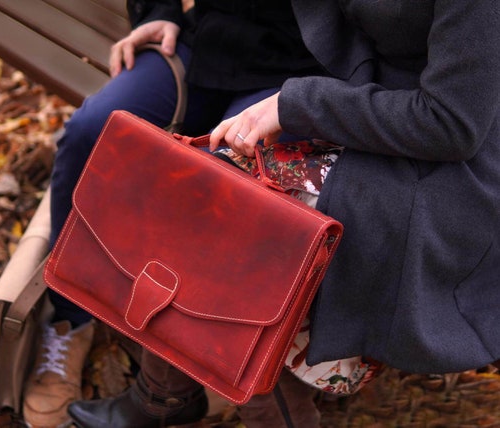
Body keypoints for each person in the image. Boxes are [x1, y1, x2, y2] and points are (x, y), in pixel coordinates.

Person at [25, 0, 500, 426]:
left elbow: (453, 125)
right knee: (216, 185)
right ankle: (164, 394)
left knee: (252, 219)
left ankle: (182, 400)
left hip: (450, 164)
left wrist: (299, 102)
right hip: (368, 109)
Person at [22, 1, 327, 427]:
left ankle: (169, 388)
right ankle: (71, 321)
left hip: (302, 71)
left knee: (226, 190)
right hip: (205, 41)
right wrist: (157, 10)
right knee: (93, 128)